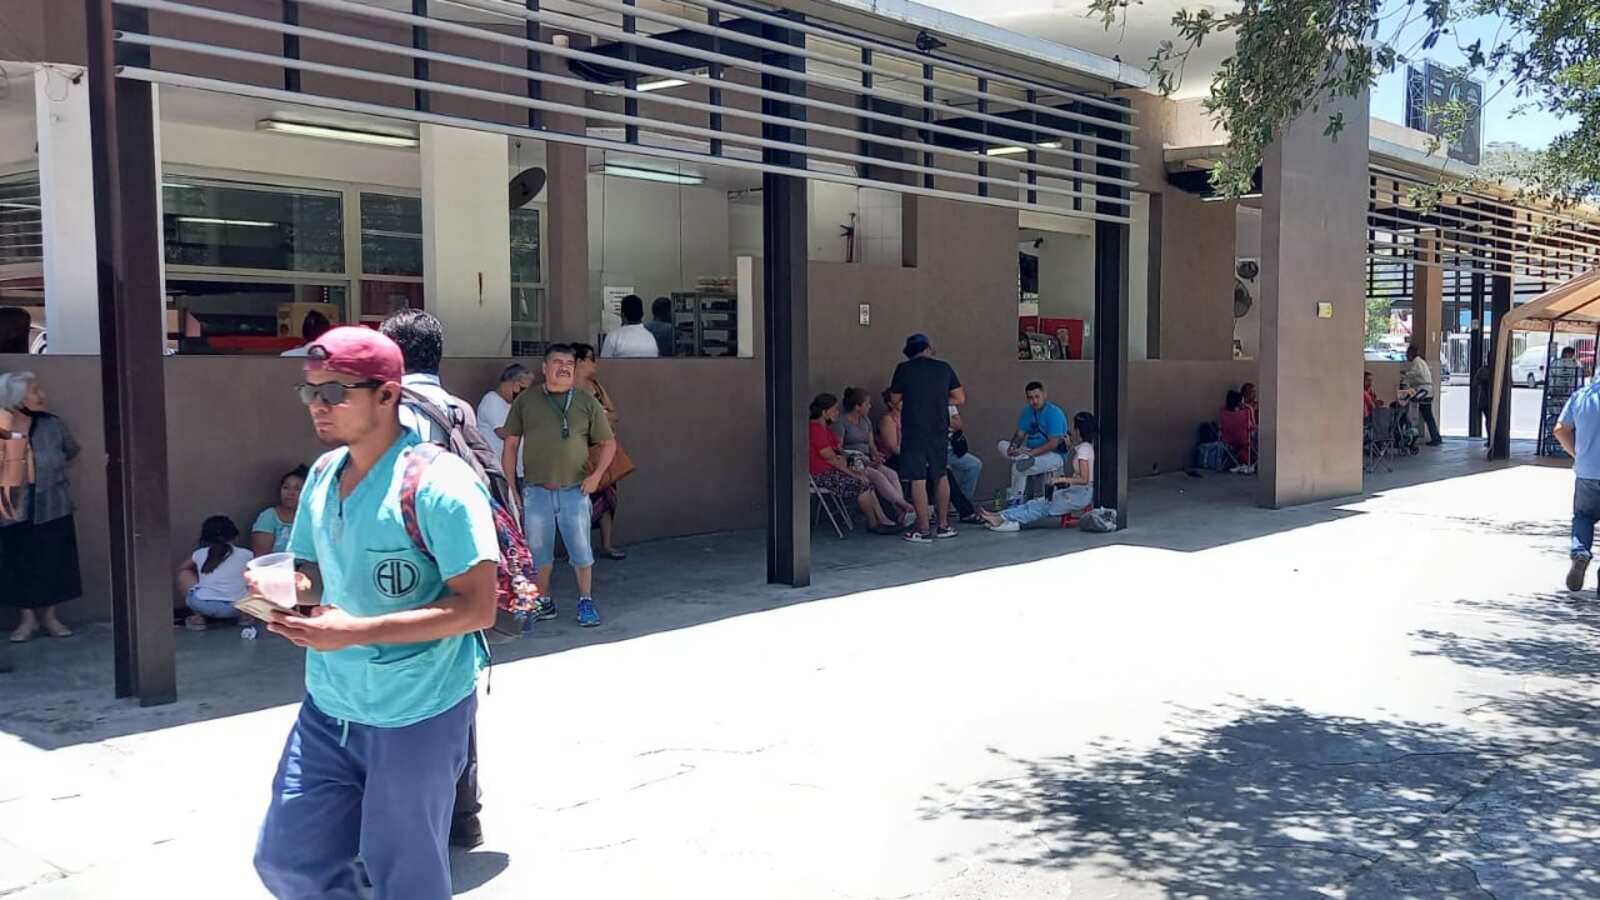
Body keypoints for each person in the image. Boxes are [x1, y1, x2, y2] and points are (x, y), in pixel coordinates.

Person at [251, 327, 499, 898]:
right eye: (310, 392)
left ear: (387, 395)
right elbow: (314, 571)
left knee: (403, 873)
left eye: (335, 392)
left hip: (419, 711)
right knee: (288, 859)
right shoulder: (322, 475)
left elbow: (477, 607)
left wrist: (355, 632)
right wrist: (283, 587)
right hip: (331, 706)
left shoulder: (439, 484)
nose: (318, 406)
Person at [378, 307, 492, 850]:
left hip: (406, 562)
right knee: (457, 682)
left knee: (402, 685)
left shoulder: (390, 407)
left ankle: (411, 818)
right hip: (462, 558)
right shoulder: (457, 408)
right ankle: (463, 813)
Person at [502, 344, 616, 627]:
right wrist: (511, 487)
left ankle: (586, 601)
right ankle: (544, 601)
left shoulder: (586, 401)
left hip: (575, 491)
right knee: (540, 554)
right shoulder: (526, 401)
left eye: (569, 363)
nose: (563, 367)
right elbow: (511, 444)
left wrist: (596, 476)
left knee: (581, 552)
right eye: (557, 362)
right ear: (544, 367)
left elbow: (608, 443)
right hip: (537, 490)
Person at [1, 372, 81, 643]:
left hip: (53, 504)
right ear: (15, 398)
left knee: (54, 560)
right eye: (35, 391)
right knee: (18, 561)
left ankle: (50, 618)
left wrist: (51, 477)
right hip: (13, 508)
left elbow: (71, 451)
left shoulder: (53, 425)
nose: (41, 396)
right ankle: (27, 621)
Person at [889, 333, 965, 543]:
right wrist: (938, 400)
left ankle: (922, 529)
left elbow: (895, 400)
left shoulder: (903, 369)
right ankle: (943, 525)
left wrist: (914, 402)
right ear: (928, 348)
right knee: (940, 475)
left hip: (914, 430)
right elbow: (960, 397)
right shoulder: (944, 368)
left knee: (918, 478)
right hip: (939, 428)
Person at [980, 412, 1098, 532]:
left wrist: (1060, 479)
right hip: (1077, 491)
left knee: (1043, 506)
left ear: (1078, 431)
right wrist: (1071, 446)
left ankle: (1003, 518)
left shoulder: (1084, 450)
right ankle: (1000, 515)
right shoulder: (1086, 447)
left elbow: (1084, 479)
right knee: (1038, 502)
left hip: (1081, 494)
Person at [809, 393, 902, 535]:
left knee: (867, 480)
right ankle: (874, 522)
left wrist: (862, 467)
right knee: (861, 484)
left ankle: (882, 519)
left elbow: (841, 453)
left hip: (836, 469)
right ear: (824, 412)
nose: (837, 412)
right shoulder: (814, 429)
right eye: (834, 409)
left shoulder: (826, 429)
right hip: (822, 474)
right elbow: (831, 458)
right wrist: (854, 474)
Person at [574, 343, 630, 560]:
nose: (594, 364)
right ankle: (580, 548)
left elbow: (613, 413)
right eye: (591, 359)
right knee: (581, 500)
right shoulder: (567, 387)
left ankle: (607, 544)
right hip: (579, 450)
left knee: (607, 497)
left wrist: (599, 419)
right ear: (579, 362)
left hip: (602, 449)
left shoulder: (595, 385)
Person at [833, 387, 915, 526]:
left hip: (867, 458)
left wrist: (877, 456)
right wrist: (861, 459)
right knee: (877, 476)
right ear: (857, 406)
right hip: (851, 460)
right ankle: (904, 505)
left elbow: (871, 445)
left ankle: (900, 512)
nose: (870, 406)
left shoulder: (866, 421)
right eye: (867, 404)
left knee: (892, 473)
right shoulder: (841, 423)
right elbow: (838, 449)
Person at [176, 515, 254, 632]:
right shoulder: (247, 554)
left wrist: (201, 578)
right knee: (252, 577)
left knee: (183, 574)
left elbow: (182, 568)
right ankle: (245, 617)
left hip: (204, 606)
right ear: (234, 535)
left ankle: (198, 617)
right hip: (237, 607)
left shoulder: (200, 553)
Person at [997, 381, 1069, 503]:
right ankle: (1021, 457)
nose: (1034, 401)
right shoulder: (1027, 411)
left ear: (1044, 395)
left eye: (1037, 397)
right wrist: (1014, 446)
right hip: (1030, 452)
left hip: (1054, 455)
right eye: (1030, 398)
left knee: (1018, 467)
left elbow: (1053, 444)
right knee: (1002, 445)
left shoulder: (1053, 413)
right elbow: (1020, 434)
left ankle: (1016, 501)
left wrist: (1031, 454)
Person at [477, 363, 532, 487]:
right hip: (500, 471)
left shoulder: (512, 404)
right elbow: (503, 432)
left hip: (518, 471)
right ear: (513, 383)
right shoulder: (492, 400)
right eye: (522, 388)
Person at [251, 466, 308, 557]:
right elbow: (261, 557)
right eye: (286, 488)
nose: (290, 493)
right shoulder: (269, 517)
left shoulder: (309, 518)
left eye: (297, 489)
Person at [1402, 345, 1443, 446]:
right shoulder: (1420, 362)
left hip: (1423, 392)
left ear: (1411, 354)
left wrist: (1405, 376)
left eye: (1407, 354)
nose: (1407, 357)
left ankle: (1435, 438)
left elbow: (1415, 374)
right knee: (1428, 416)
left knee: (1427, 416)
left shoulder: (1417, 363)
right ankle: (1436, 437)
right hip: (1426, 391)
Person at [601, 294, 660, 358]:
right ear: (642, 315)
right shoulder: (651, 338)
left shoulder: (613, 337)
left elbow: (603, 364)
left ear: (623, 315)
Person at [947, 404, 983, 504]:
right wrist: (949, 420)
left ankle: (963, 503)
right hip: (933, 451)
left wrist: (942, 417)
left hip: (951, 450)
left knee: (975, 465)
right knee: (943, 473)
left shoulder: (948, 402)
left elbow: (958, 424)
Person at [1219, 390, 1255, 469]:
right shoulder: (1245, 413)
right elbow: (1252, 426)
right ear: (1239, 402)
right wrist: (1250, 408)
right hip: (1244, 439)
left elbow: (1221, 426)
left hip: (1228, 440)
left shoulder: (1223, 412)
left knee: (1240, 447)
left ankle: (1240, 462)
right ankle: (1253, 462)